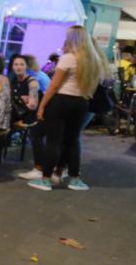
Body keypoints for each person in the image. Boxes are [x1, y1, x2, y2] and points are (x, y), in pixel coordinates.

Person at [27, 25, 104, 192]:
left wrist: (42, 106)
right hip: (82, 103)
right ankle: (75, 178)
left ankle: (46, 179)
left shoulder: (68, 58)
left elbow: (54, 86)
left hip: (62, 101)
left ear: (72, 38)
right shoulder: (94, 60)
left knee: (53, 141)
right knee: (73, 141)